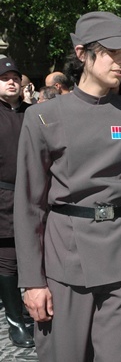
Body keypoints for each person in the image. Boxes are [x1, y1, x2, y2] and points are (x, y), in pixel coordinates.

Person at [13, 11, 121, 362]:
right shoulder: (43, 118)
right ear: (82, 53)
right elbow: (29, 206)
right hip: (64, 262)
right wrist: (32, 281)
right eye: (112, 52)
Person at [0, 56, 35, 348]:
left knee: (36, 257)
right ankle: (15, 320)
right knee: (8, 262)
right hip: (3, 200)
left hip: (36, 198)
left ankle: (34, 310)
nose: (12, 81)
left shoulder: (34, 113)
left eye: (15, 76)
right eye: (4, 77)